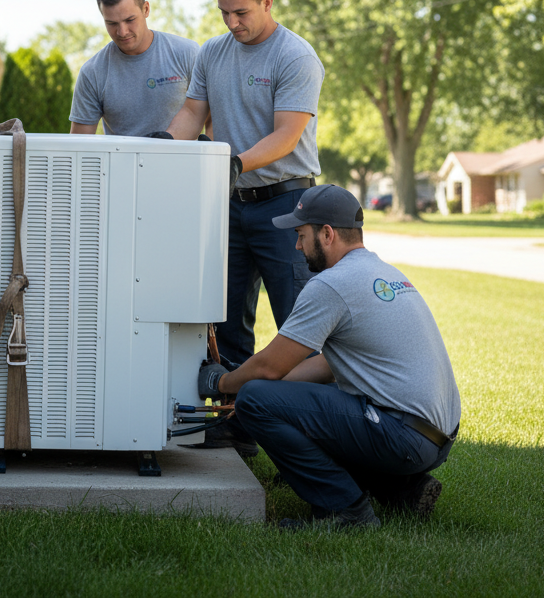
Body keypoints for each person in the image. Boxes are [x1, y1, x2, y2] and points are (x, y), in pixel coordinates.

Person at [197, 184, 461, 531]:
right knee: (287, 401)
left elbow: (269, 365)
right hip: (437, 438)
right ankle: (398, 489)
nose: (296, 245)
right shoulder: (382, 271)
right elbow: (324, 367)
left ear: (327, 233)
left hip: (404, 437)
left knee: (255, 401)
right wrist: (264, 382)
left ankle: (349, 512)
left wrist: (221, 381)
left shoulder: (331, 285)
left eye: (301, 235)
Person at [165, 0, 323, 454]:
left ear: (267, 2)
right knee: (227, 319)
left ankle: (311, 428)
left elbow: (286, 134)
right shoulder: (213, 53)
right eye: (224, 13)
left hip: (287, 205)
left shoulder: (295, 56)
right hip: (229, 206)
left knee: (298, 319)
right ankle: (236, 424)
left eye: (241, 12)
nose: (232, 23)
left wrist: (233, 162)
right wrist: (163, 148)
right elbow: (193, 113)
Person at [69, 0, 199, 137]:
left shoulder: (187, 53)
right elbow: (80, 144)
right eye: (112, 23)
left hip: (182, 162)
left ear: (146, 9)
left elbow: (212, 115)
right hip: (119, 163)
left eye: (130, 20)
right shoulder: (92, 72)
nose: (122, 32)